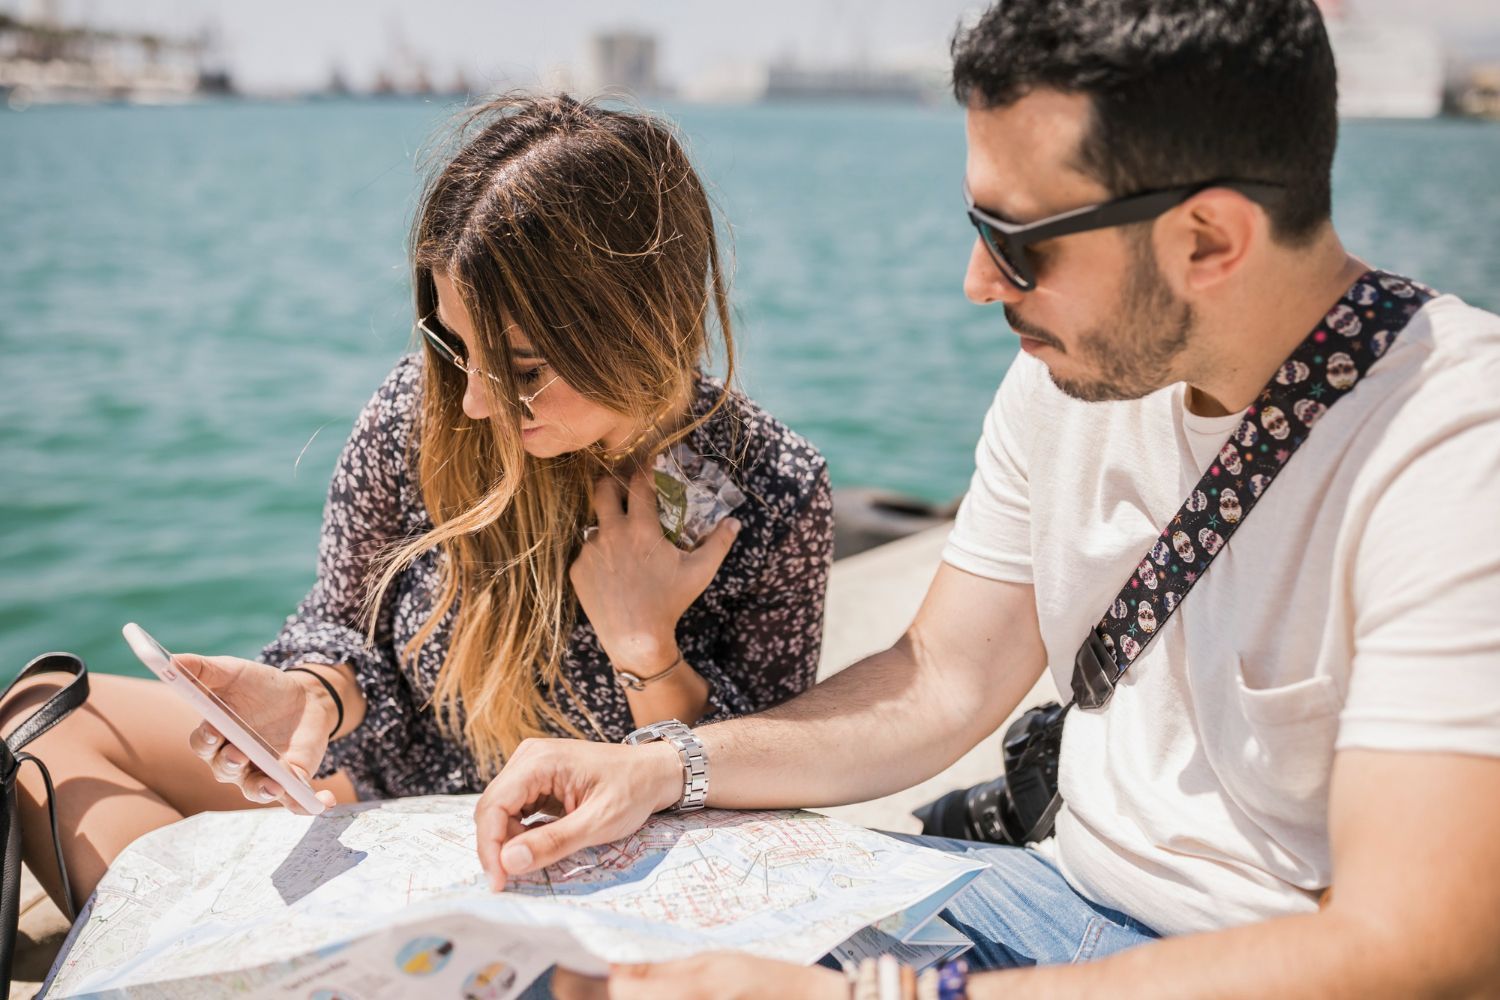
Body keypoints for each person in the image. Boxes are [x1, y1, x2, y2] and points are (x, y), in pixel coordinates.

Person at [473, 4, 1500, 997]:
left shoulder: (1455, 449)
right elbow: (939, 682)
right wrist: (662, 767)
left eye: (1017, 242)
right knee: (552, 965)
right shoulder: (1069, 379)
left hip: (1256, 963)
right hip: (1048, 898)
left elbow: (1420, 950)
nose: (976, 281)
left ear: (1209, 241)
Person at [0, 95, 833, 914]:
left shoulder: (776, 491)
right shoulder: (423, 413)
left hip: (577, 877)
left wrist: (646, 648)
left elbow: (748, 806)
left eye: (523, 364)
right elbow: (346, 622)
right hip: (386, 821)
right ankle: (178, 960)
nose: (473, 400)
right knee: (42, 716)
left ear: (641, 322)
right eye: (452, 344)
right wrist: (313, 696)